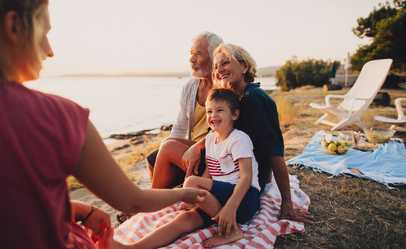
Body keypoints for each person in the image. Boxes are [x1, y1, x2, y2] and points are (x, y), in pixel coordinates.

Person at [0, 1, 207, 248]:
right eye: (44, 34)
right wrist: (185, 193)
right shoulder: (58, 117)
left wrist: (76, 209)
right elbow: (132, 201)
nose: (50, 50)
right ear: (13, 26)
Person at [112, 89, 261, 249]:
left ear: (234, 114)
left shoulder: (239, 139)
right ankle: (134, 247)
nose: (213, 115)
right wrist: (197, 199)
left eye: (219, 110)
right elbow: (210, 173)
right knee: (184, 220)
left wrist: (230, 207)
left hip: (244, 198)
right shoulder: (211, 139)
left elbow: (246, 177)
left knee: (191, 182)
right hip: (219, 201)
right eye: (209, 111)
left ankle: (231, 230)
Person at [183, 43, 312, 223]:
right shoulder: (232, 96)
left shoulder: (256, 100)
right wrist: (199, 145)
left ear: (244, 66)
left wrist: (287, 203)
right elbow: (221, 133)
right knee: (169, 152)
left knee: (172, 150)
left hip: (245, 176)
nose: (220, 69)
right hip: (226, 168)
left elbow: (275, 152)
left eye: (226, 63)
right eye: (216, 66)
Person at [148, 32, 223, 188]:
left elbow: (225, 131)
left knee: (168, 147)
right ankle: (160, 196)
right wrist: (167, 146)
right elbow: (180, 126)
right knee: (154, 157)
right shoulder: (190, 87)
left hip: (215, 154)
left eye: (198, 54)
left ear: (214, 56)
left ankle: (151, 202)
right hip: (194, 149)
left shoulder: (224, 87)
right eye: (191, 54)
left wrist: (174, 147)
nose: (192, 59)